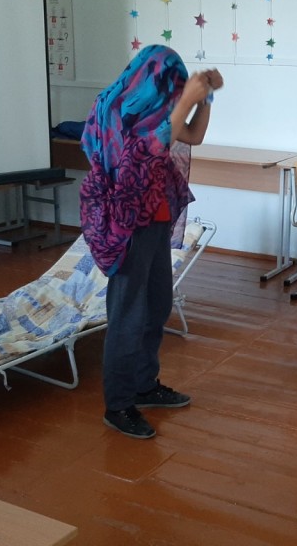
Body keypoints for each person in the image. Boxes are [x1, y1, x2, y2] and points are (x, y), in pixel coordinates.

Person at [80, 45, 222, 439]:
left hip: (154, 219)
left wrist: (205, 100)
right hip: (126, 225)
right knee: (128, 314)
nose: (176, 96)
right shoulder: (114, 108)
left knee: (157, 305)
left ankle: (144, 385)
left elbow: (192, 135)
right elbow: (145, 150)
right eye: (173, 88)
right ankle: (118, 405)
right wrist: (187, 100)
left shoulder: (159, 109)